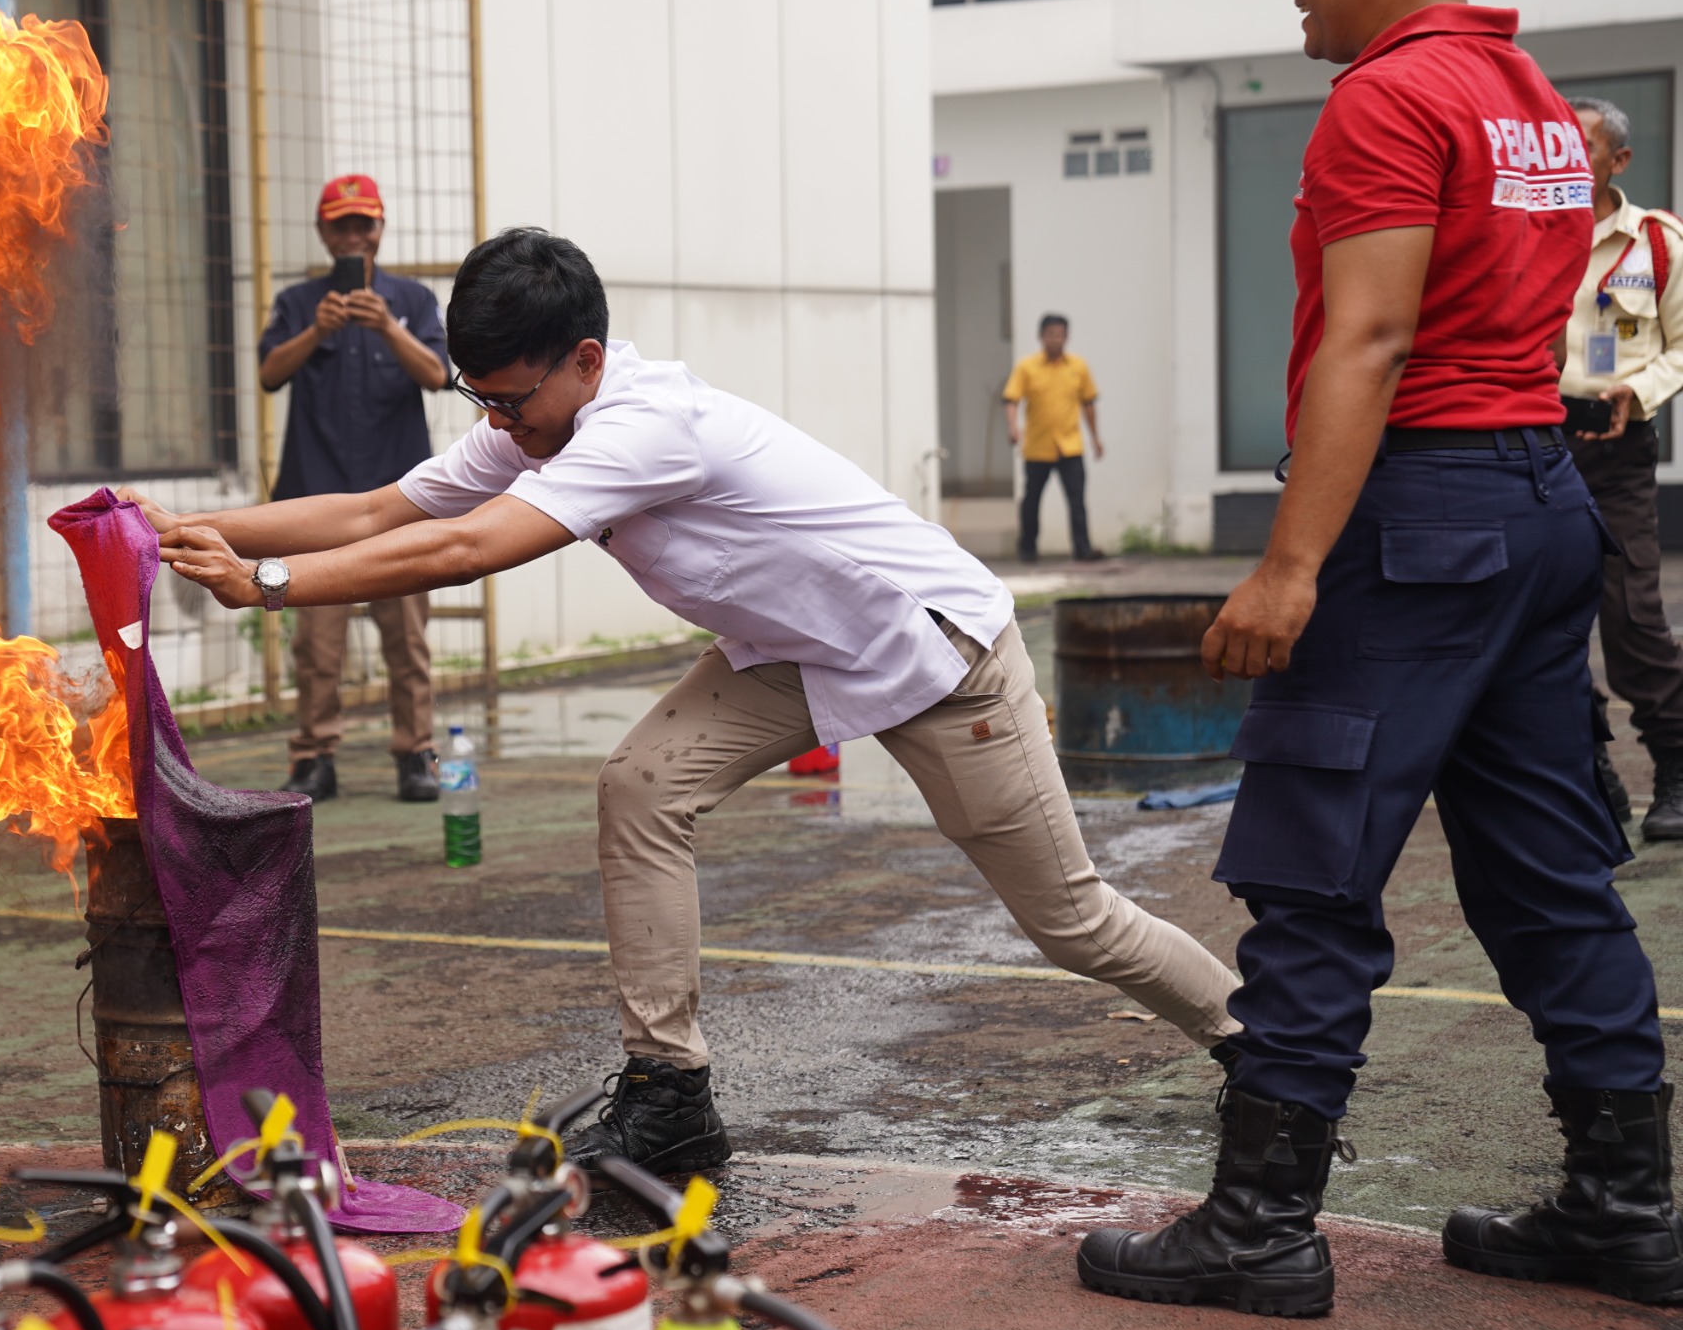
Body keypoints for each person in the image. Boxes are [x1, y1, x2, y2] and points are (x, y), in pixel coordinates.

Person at [138, 227, 1241, 1176]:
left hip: (936, 651)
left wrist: (265, 583)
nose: (500, 424)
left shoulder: (642, 425)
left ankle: (1266, 1054)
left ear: (584, 359)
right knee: (641, 786)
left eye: (511, 400)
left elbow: (467, 549)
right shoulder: (536, 412)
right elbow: (380, 511)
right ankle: (670, 1093)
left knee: (1071, 920)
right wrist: (183, 527)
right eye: (482, 399)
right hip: (794, 653)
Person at [1075, 0, 1680, 1319]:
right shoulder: (1531, 99)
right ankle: (1626, 1206)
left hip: (1417, 519)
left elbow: (1371, 334)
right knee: (1551, 873)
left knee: (1312, 868)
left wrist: (1291, 567)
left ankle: (1260, 1226)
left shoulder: (1389, 97)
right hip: (1535, 505)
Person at [260, 174, 450, 804]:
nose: (353, 237)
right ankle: (314, 758)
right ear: (322, 231)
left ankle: (416, 754)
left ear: (381, 227)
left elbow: (438, 375)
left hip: (401, 502)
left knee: (408, 639)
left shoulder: (413, 300)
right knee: (316, 644)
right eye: (340, 225)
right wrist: (315, 332)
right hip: (314, 504)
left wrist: (388, 327)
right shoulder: (298, 303)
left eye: (363, 223)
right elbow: (268, 374)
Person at [1556, 96, 1683, 840]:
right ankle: (1591, 771)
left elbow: (1682, 344)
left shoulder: (1657, 242)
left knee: (1633, 619)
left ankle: (1676, 768)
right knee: (1544, 624)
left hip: (1618, 449)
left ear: (1618, 160)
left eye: (1585, 146)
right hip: (1537, 446)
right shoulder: (1529, 232)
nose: (1569, 157)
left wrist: (1639, 391)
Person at [1002, 314, 1104, 562]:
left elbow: (1088, 403)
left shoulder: (1078, 366)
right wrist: (1013, 427)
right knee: (1031, 501)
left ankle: (1082, 548)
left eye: (1059, 335)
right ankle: (1027, 548)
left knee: (1077, 500)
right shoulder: (1027, 367)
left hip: (1070, 445)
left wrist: (1095, 437)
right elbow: (1011, 399)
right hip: (1038, 446)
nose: (1055, 339)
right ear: (1041, 337)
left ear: (1066, 337)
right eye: (1050, 334)